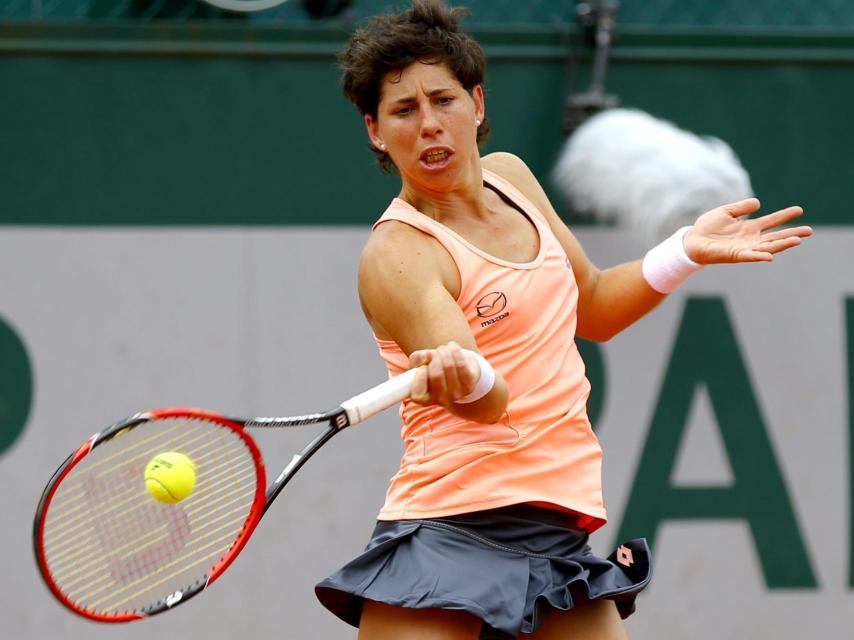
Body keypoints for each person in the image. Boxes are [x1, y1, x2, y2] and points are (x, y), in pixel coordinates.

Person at [315, 2, 812, 639]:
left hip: (558, 535)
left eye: (443, 100)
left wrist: (684, 249)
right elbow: (488, 402)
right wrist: (462, 373)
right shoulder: (397, 255)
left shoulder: (513, 179)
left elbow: (595, 306)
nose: (429, 125)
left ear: (478, 103)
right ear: (375, 131)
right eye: (403, 111)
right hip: (447, 533)